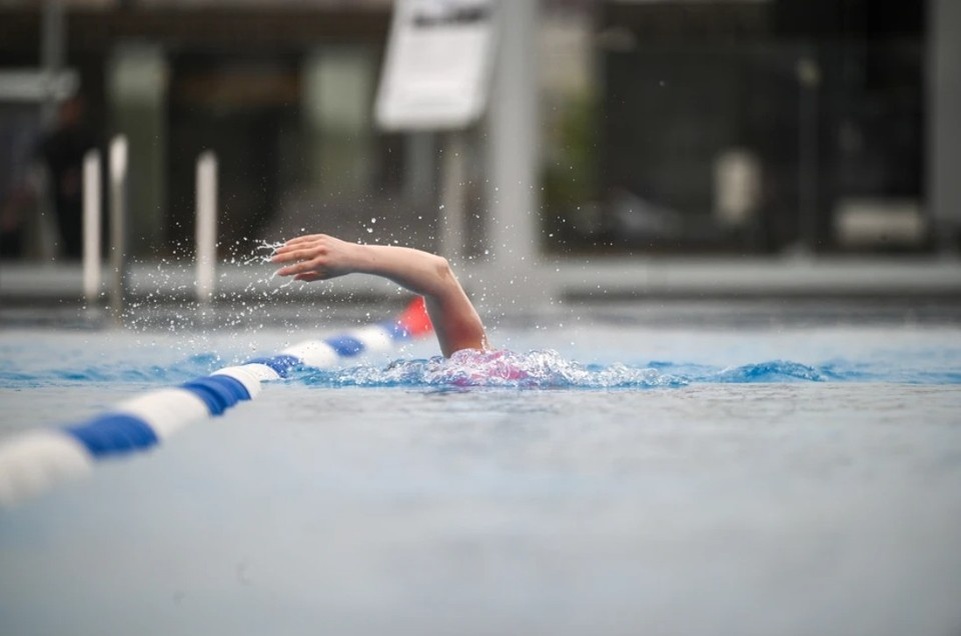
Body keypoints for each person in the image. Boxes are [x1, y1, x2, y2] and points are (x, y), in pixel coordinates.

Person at [271, 233, 488, 357]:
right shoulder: (488, 372)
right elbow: (438, 273)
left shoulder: (484, 373)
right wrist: (353, 255)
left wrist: (353, 255)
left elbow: (439, 275)